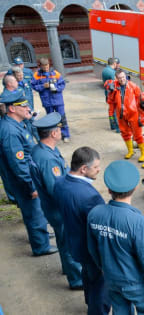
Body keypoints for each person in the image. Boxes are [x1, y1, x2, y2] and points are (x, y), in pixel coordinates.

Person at [87, 160, 144, 314]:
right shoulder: (139, 223)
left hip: (111, 278)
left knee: (120, 310)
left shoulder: (94, 214)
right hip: (136, 283)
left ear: (108, 190)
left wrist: (104, 268)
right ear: (135, 188)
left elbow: (92, 249)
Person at [54, 147, 111, 315]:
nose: (99, 170)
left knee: (88, 275)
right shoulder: (89, 196)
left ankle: (89, 300)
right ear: (83, 169)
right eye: (96, 167)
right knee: (101, 285)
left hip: (74, 243)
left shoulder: (59, 182)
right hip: (91, 250)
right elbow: (101, 230)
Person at [0, 91, 57, 256]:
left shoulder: (18, 123)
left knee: (37, 210)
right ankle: (41, 246)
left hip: (28, 177)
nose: (28, 108)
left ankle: (41, 236)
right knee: (34, 213)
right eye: (23, 105)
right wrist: (31, 186)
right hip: (24, 181)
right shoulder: (10, 131)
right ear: (11, 109)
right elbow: (18, 164)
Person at [30, 112, 82, 289]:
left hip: (52, 207)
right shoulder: (46, 158)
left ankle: (68, 269)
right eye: (59, 129)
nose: (61, 131)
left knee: (62, 240)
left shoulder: (43, 150)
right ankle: (76, 279)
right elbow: (56, 190)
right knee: (69, 243)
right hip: (59, 209)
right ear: (53, 134)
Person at [107, 69, 144, 162]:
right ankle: (130, 151)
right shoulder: (114, 87)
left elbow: (140, 101)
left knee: (138, 134)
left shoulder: (133, 86)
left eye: (123, 77)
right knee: (124, 133)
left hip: (133, 113)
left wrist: (142, 115)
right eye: (119, 78)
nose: (122, 79)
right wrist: (111, 115)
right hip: (121, 115)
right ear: (116, 78)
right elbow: (111, 102)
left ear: (126, 76)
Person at [31, 58, 70, 142]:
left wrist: (56, 89)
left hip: (58, 100)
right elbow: (33, 86)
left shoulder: (55, 73)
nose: (46, 68)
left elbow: (62, 84)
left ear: (49, 64)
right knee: (51, 119)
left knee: (62, 118)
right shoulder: (36, 75)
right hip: (47, 101)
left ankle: (65, 135)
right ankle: (53, 135)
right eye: (44, 66)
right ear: (40, 66)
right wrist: (42, 86)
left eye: (47, 65)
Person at [12, 67, 39, 141]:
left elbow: (30, 96)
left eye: (22, 75)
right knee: (27, 127)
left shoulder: (25, 82)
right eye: (19, 75)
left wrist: (31, 108)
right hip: (23, 110)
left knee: (34, 125)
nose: (21, 77)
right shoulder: (14, 86)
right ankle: (31, 143)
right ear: (14, 76)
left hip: (29, 107)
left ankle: (40, 141)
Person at [102, 57, 120, 133]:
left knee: (111, 110)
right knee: (116, 111)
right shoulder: (112, 73)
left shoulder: (104, 70)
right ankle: (118, 128)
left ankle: (112, 126)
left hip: (107, 94)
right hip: (113, 95)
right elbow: (116, 83)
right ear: (114, 63)